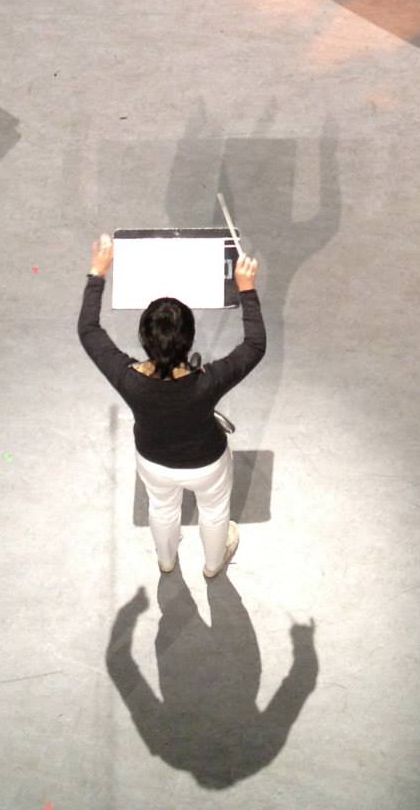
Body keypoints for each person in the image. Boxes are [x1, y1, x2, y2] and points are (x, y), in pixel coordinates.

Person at [80, 233, 264, 580]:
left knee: (162, 507)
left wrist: (97, 272)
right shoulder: (209, 380)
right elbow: (255, 345)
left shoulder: (127, 377)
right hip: (207, 463)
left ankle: (166, 559)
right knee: (214, 511)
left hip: (153, 460)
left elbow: (88, 330)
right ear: (189, 340)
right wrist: (247, 289)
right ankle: (213, 564)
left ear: (144, 338)